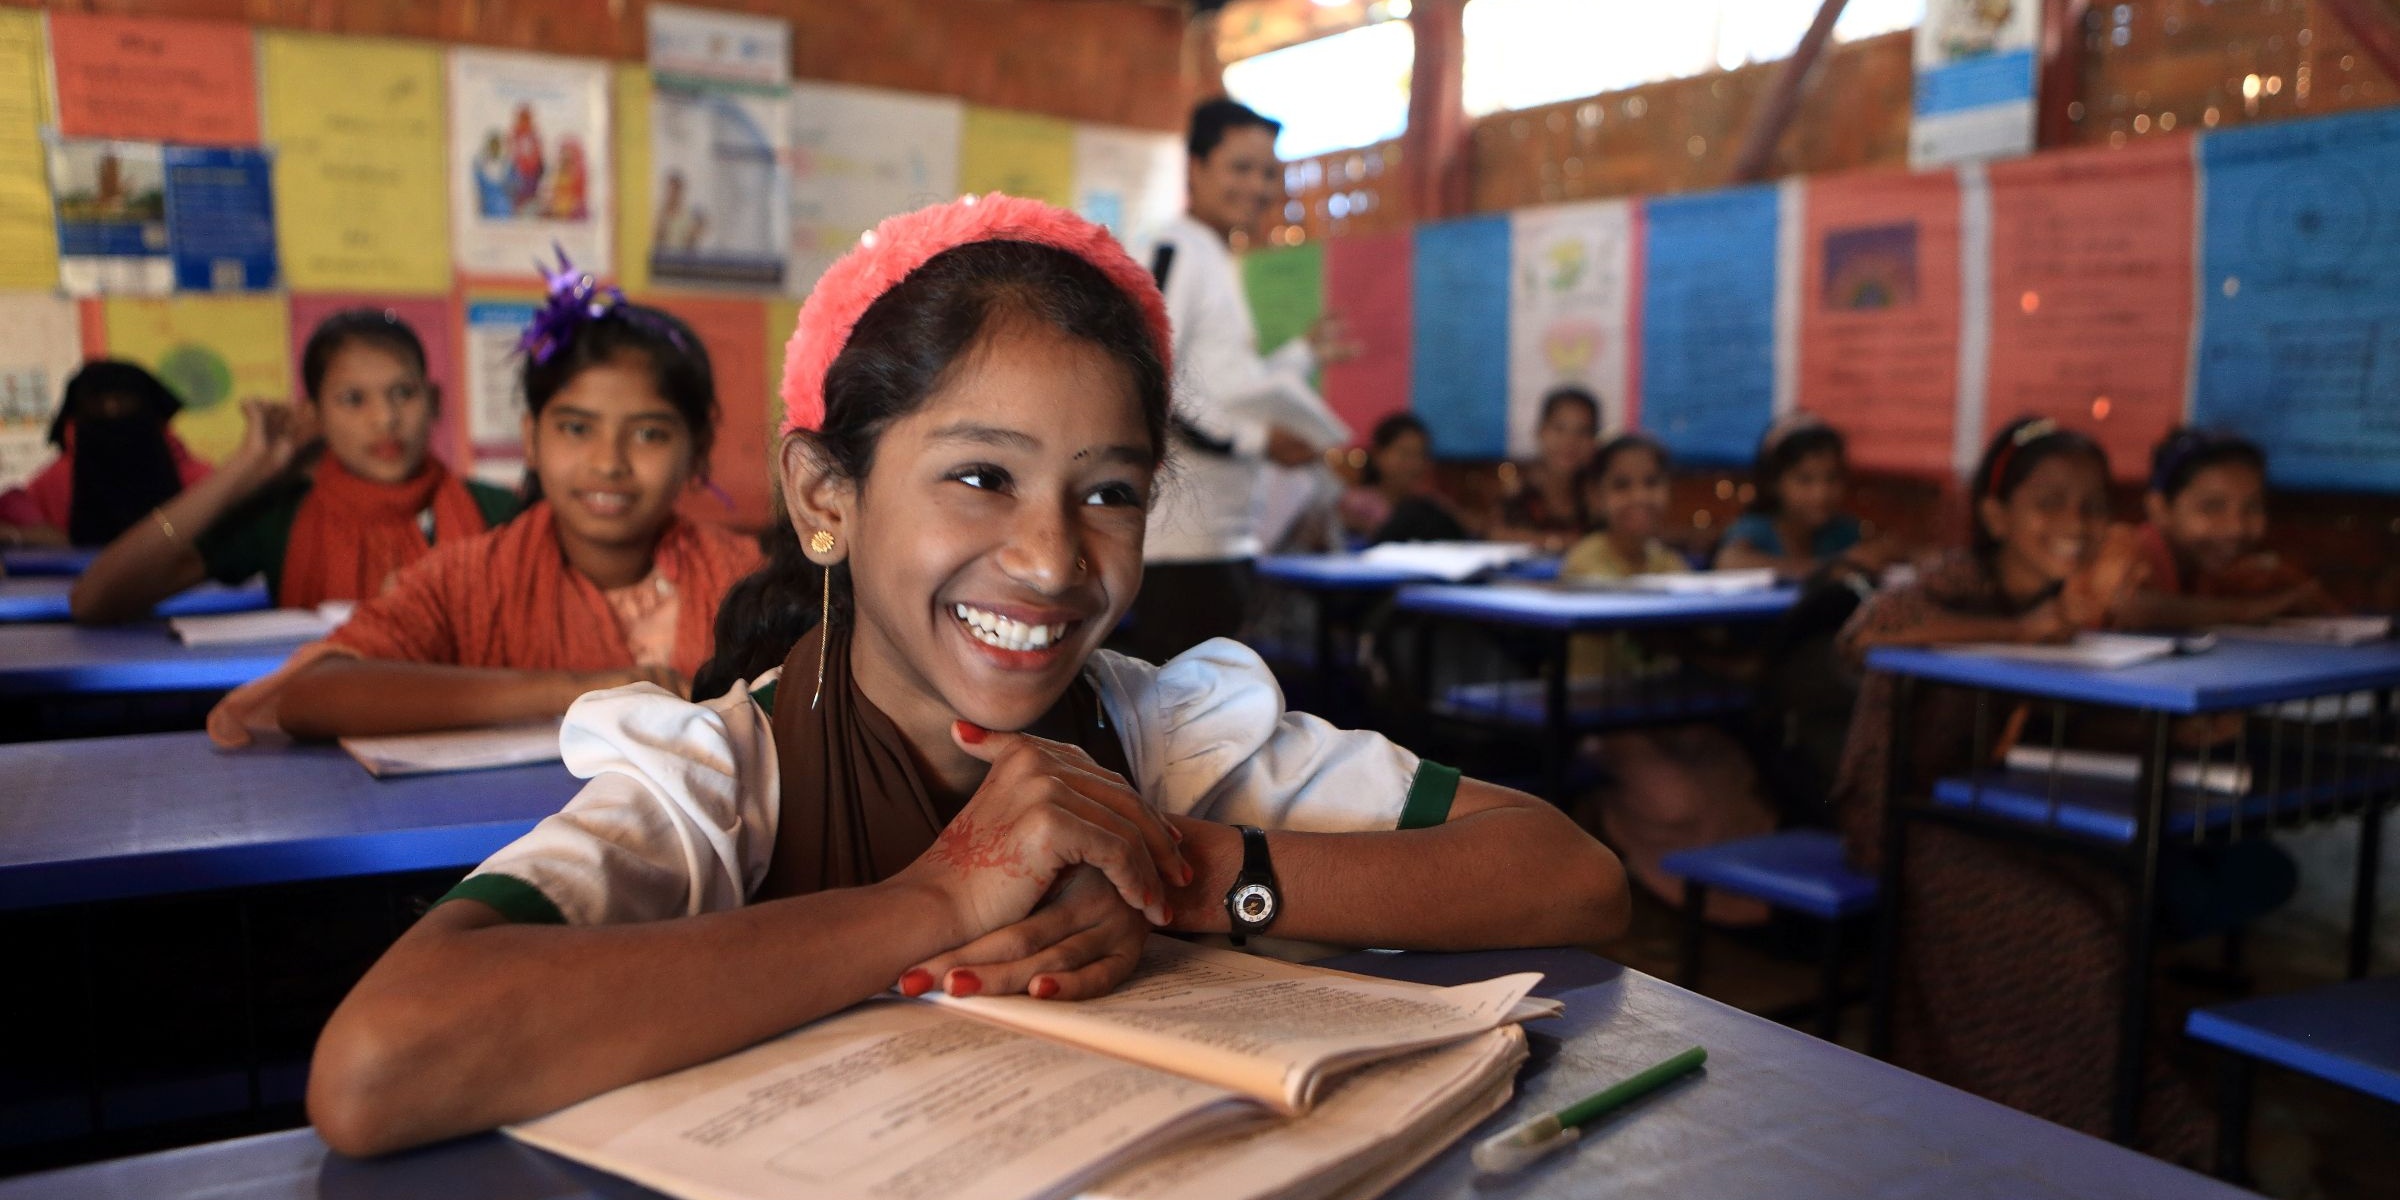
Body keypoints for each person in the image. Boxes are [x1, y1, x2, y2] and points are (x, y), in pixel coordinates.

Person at [304, 196, 1629, 1157]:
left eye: (1108, 492)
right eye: (980, 476)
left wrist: (1181, 869)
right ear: (826, 499)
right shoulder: (724, 780)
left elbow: (1571, 872)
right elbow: (378, 1066)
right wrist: (940, 896)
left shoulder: (1157, 733)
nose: (1051, 560)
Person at [1831, 416, 2290, 1156]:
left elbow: (2054, 722)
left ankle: (2125, 1119)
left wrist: (2173, 734)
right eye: (2049, 501)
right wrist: (2029, 629)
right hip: (1902, 819)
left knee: (2111, 896)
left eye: (2092, 503)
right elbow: (1865, 633)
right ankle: (2058, 1131)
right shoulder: (1962, 581)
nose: (2076, 522)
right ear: (1994, 515)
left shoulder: (2067, 604)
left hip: (1994, 804)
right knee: (2066, 924)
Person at [203, 258, 759, 747]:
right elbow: (312, 695)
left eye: (648, 435)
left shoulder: (743, 580)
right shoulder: (472, 579)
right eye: (575, 428)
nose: (608, 462)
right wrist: (576, 689)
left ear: (698, 449)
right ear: (532, 439)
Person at [71, 311, 520, 624]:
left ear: (435, 402)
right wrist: (245, 468)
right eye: (353, 399)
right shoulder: (281, 515)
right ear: (315, 416)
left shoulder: (496, 512)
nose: (385, 418)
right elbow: (95, 601)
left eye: (404, 393)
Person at [1117, 98, 1352, 663]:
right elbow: (1152, 380)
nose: (1259, 186)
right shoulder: (1174, 250)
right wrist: (1259, 440)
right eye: (1240, 168)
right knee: (1181, 730)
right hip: (1179, 548)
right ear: (1195, 167)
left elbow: (1224, 386)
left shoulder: (1216, 257)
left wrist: (1300, 354)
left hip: (1224, 539)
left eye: (1269, 172)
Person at [1560, 434, 1773, 924]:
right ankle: (1664, 885)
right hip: (1601, 723)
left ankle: (1738, 904)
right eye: (1622, 485)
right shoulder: (1586, 562)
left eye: (1652, 483)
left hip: (1661, 712)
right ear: (1596, 497)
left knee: (1730, 769)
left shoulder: (1669, 563)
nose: (1640, 496)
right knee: (1677, 798)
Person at [2118, 427, 2331, 631]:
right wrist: (2249, 611)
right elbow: (2130, 606)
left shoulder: (2208, 570)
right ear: (2160, 509)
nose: (2236, 528)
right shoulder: (2125, 547)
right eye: (2212, 507)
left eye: (2253, 507)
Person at [0, 361, 210, 549]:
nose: (111, 411)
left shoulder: (201, 482)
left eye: (124, 402)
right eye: (97, 405)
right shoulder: (48, 486)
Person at [1715, 412, 1895, 577]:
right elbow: (1728, 561)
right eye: (1804, 480)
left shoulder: (1841, 531)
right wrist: (1828, 569)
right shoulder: (1756, 530)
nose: (1821, 493)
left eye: (1832, 478)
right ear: (1772, 483)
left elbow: (1890, 550)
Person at [1490, 386, 1598, 553]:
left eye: (1583, 432)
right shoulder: (1517, 490)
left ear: (1594, 441)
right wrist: (1557, 542)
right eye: (1559, 429)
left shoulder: (1598, 494)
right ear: (1540, 432)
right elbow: (1495, 536)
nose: (1570, 442)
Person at [1339, 413, 1470, 544]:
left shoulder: (1432, 506)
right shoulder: (1353, 505)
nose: (1414, 464)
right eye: (1405, 454)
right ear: (1378, 455)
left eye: (1420, 455)